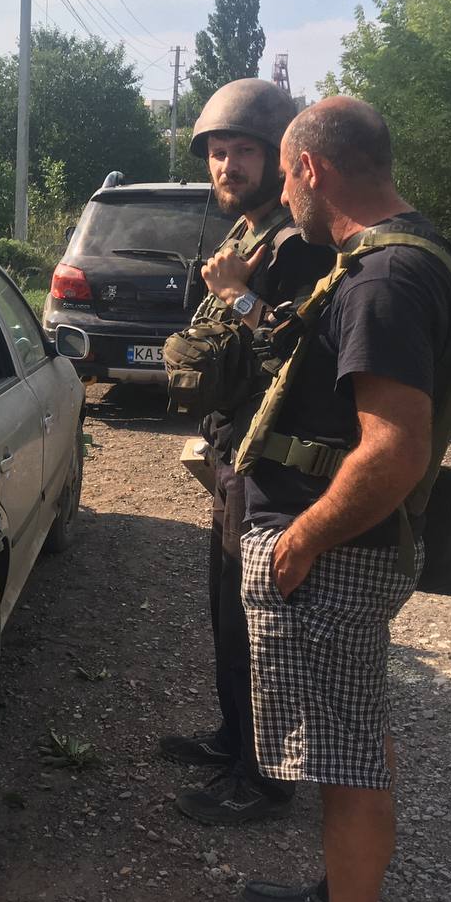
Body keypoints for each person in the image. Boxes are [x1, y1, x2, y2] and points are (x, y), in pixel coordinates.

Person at [215, 97, 451, 902]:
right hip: (349, 553)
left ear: (312, 169)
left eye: (286, 175)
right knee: (344, 740)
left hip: (337, 557)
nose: (286, 194)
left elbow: (393, 447)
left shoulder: (383, 280)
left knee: (352, 756)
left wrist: (301, 540)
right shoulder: (405, 254)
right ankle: (336, 900)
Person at [159, 79, 335, 825]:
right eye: (217, 154)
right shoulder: (245, 235)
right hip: (233, 456)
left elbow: (307, 355)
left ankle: (265, 779)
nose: (225, 167)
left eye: (241, 153)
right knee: (226, 612)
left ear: (279, 159)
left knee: (258, 623)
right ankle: (235, 736)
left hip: (274, 468)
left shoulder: (297, 247)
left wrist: (235, 297)